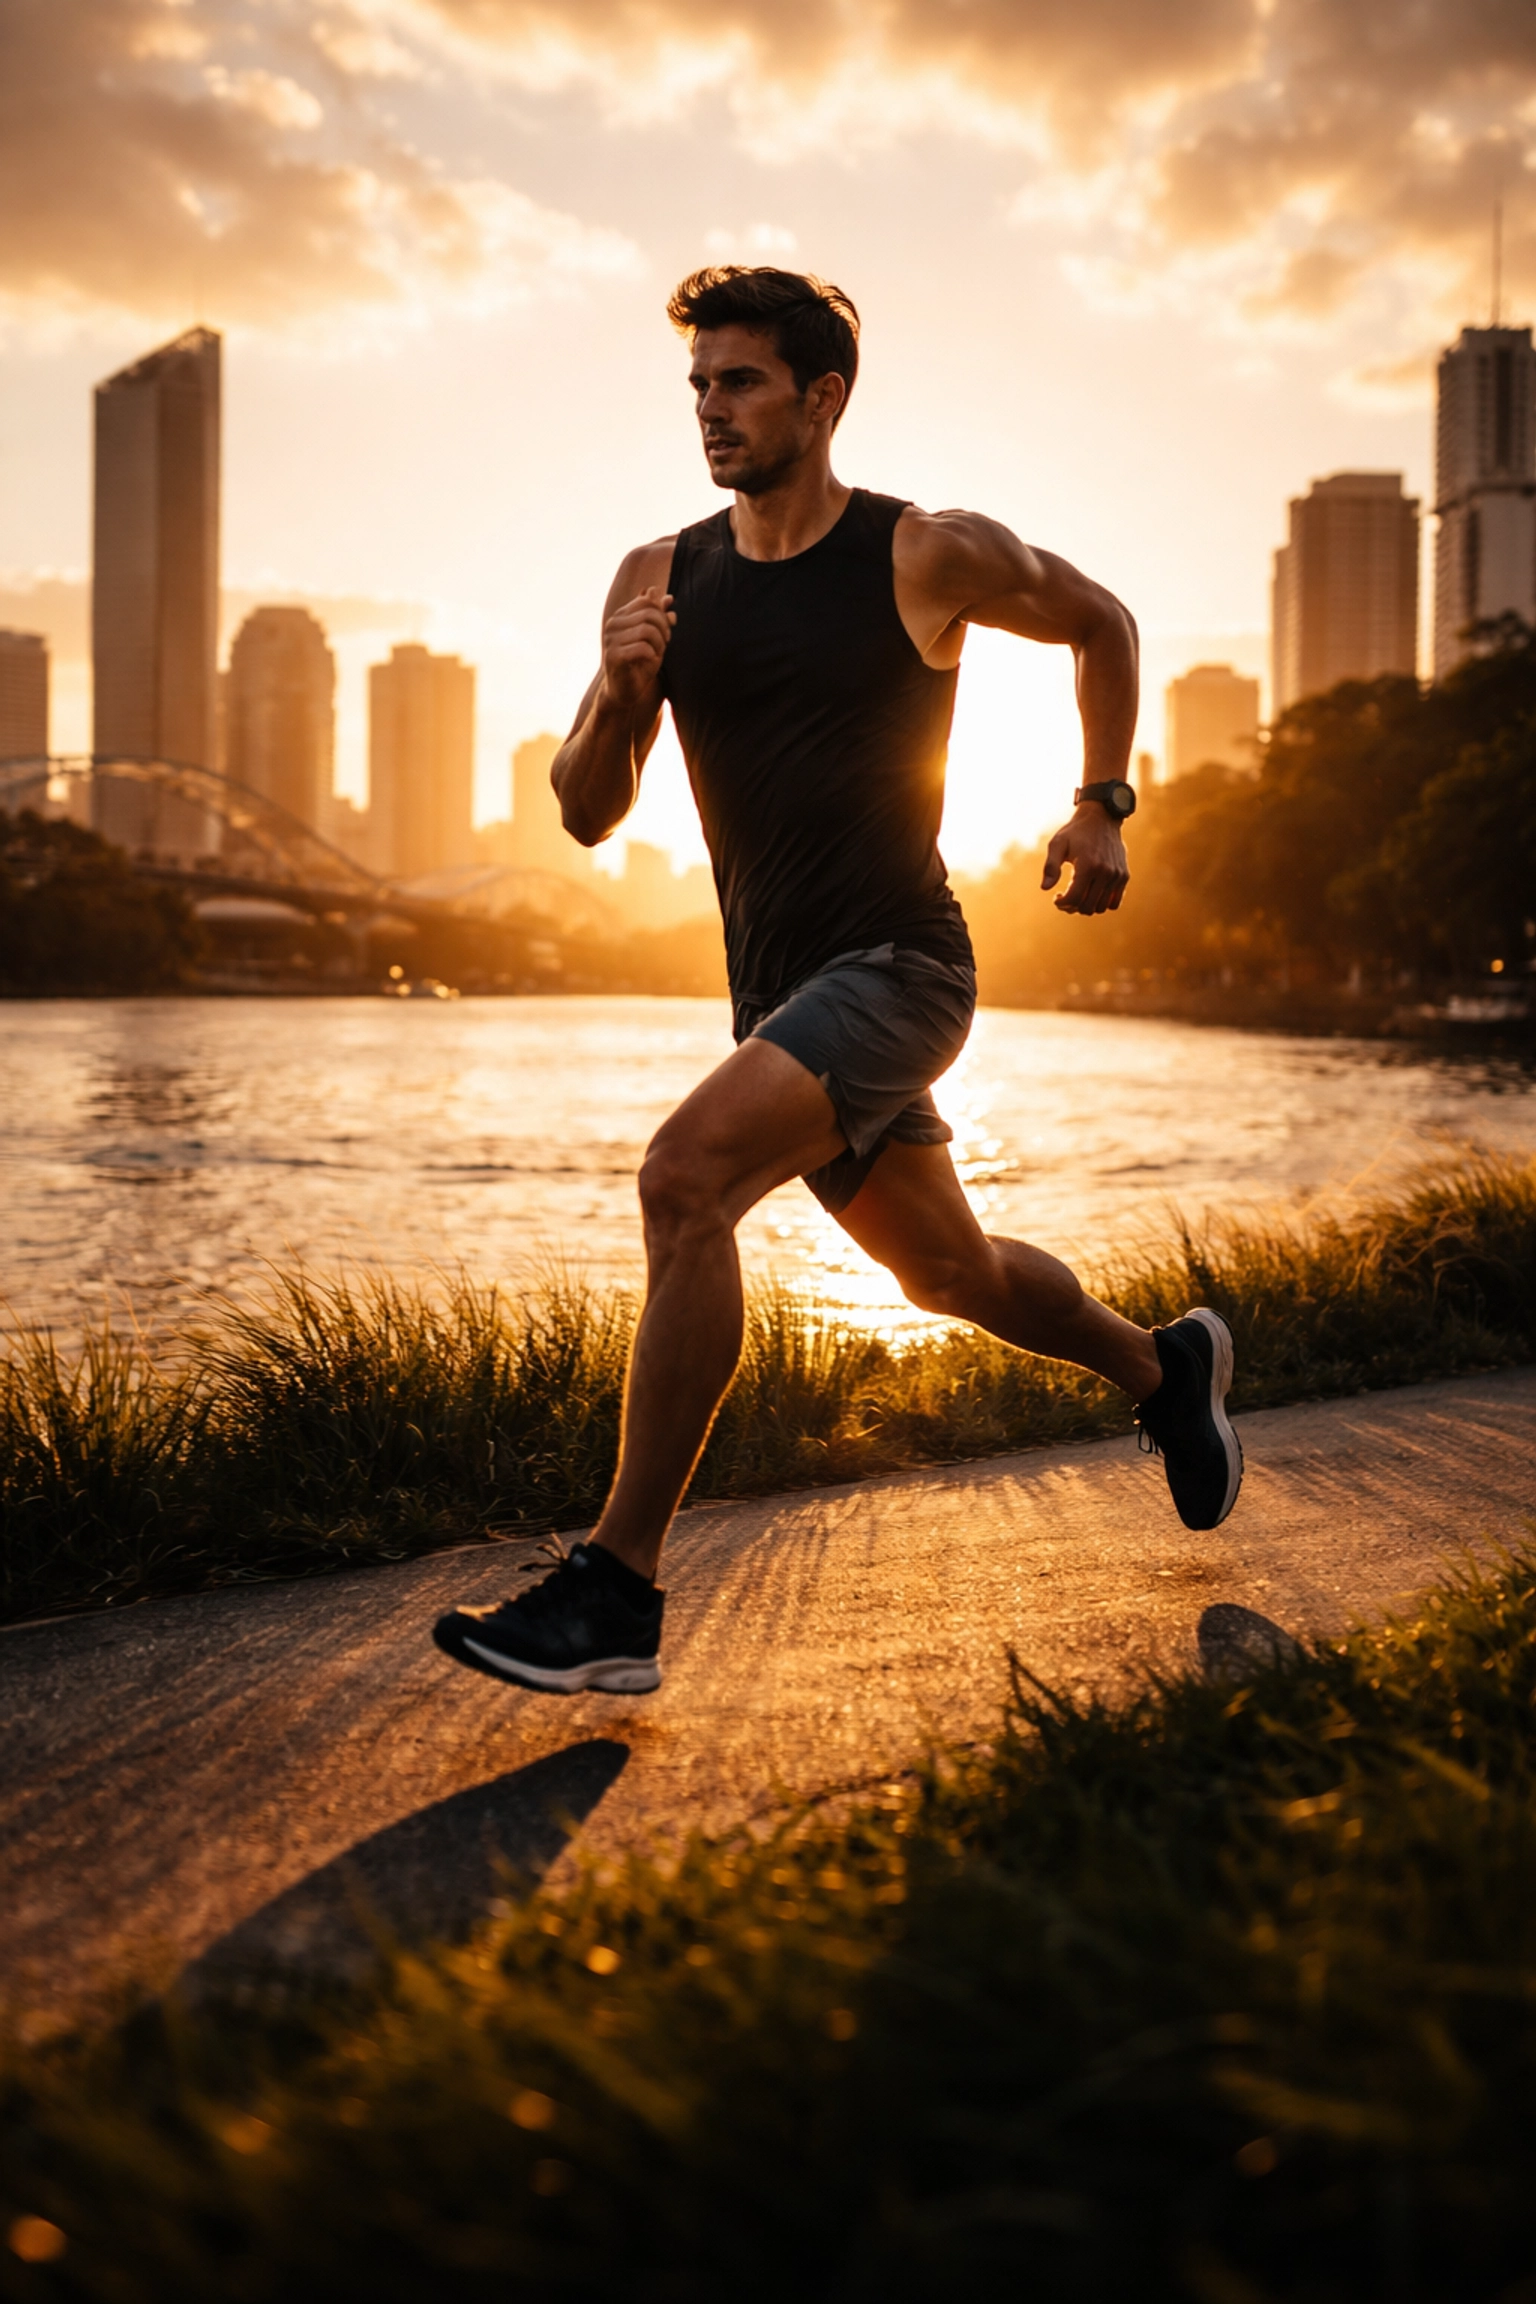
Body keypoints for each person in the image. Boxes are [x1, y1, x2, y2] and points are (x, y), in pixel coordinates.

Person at [434, 266, 1242, 1697]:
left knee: (684, 1180)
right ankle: (1165, 1370)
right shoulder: (657, 577)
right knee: (952, 1271)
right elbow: (581, 812)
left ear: (823, 397)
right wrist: (619, 698)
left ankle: (616, 1588)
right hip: (782, 1002)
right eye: (697, 386)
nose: (709, 411)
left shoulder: (921, 554)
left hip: (906, 966)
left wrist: (1105, 798)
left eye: (739, 383)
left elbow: (1104, 619)